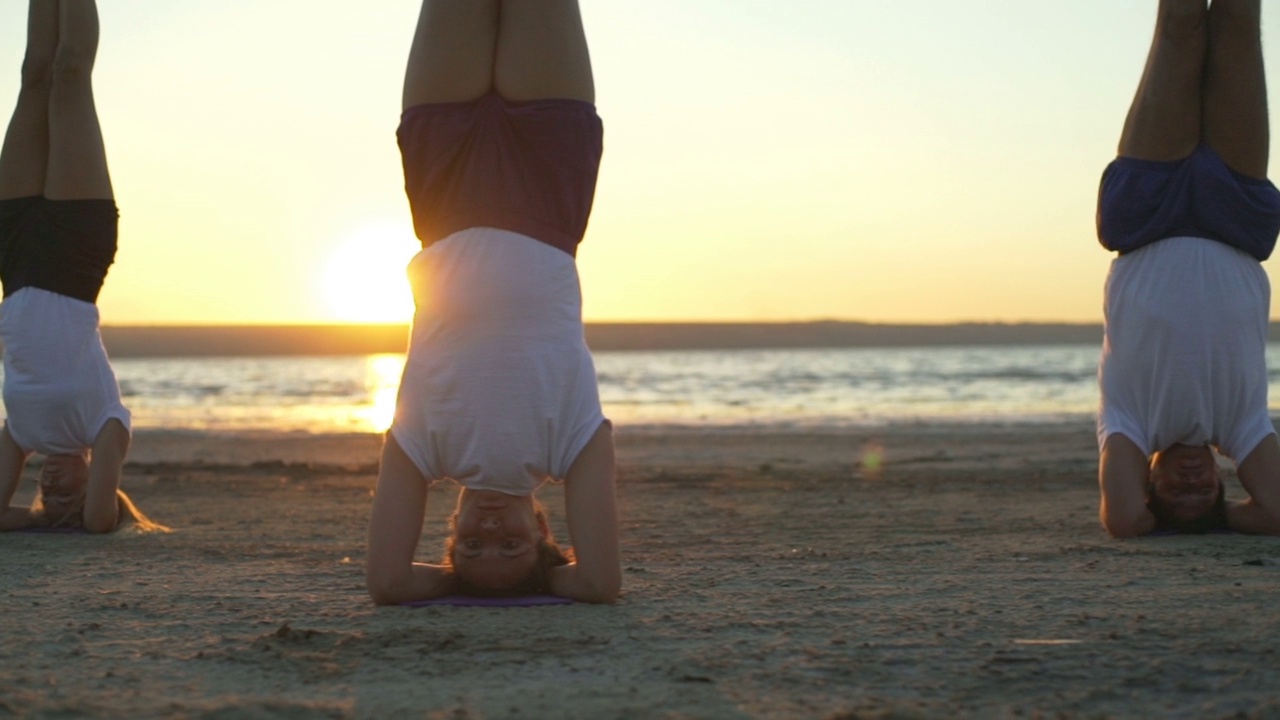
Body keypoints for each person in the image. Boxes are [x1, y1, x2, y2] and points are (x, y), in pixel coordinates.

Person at [366, 0, 620, 603]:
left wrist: (468, 583)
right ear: (541, 529)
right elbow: (600, 583)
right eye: (511, 546)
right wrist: (536, 581)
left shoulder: (423, 446)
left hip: (444, 188)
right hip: (547, 187)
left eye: (470, 547)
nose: (489, 532)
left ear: (448, 533)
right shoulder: (569, 446)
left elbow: (388, 582)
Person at [1096, 0, 1280, 537]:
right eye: (1205, 493)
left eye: (1177, 493)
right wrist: (1217, 522)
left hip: (1147, 216)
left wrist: (1169, 521)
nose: (1193, 483)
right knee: (1239, 23)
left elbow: (1124, 520)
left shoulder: (1129, 426)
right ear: (1226, 483)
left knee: (1180, 27)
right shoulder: (1242, 429)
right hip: (1235, 221)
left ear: (1150, 482)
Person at [0, 0, 161, 534]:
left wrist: (45, 520)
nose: (51, 486)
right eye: (69, 488)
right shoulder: (106, 425)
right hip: (74, 254)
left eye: (49, 493)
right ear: (96, 476)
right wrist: (77, 514)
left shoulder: (20, 433)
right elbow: (96, 523)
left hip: (15, 256)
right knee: (70, 76)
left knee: (32, 76)